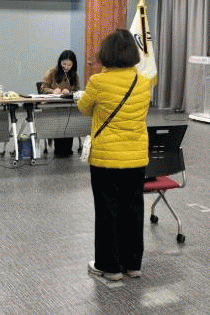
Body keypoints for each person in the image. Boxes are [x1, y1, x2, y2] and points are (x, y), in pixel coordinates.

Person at [77, 29, 151, 280]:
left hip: (106, 158)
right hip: (136, 157)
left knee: (107, 210)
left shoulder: (98, 82)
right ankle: (133, 264)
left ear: (106, 54)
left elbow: (84, 107)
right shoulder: (144, 82)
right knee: (134, 209)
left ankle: (109, 266)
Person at [41, 50, 80, 156]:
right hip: (53, 106)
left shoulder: (74, 75)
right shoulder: (52, 72)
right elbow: (43, 88)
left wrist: (70, 92)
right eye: (64, 64)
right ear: (60, 62)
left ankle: (68, 149)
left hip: (68, 107)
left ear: (73, 65)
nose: (66, 67)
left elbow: (77, 90)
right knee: (58, 123)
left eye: (69, 65)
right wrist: (53, 91)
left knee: (70, 123)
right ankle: (58, 149)